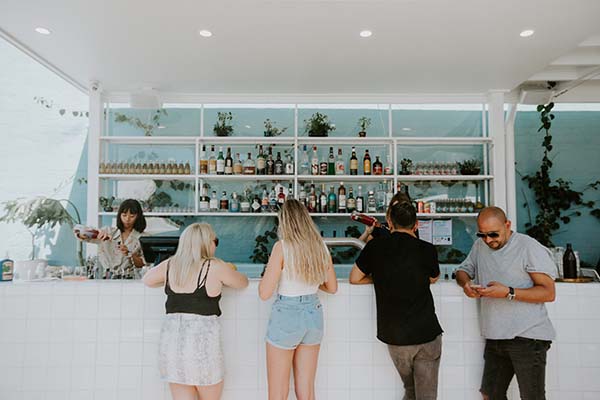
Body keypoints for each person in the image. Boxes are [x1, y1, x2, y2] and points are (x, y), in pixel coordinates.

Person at [455, 206, 556, 400]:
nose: (488, 240)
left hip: (528, 336)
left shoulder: (528, 246)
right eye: (482, 234)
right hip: (496, 336)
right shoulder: (480, 245)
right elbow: (463, 270)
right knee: (490, 394)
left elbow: (548, 292)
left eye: (494, 234)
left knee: (532, 396)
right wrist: (466, 284)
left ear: (507, 225)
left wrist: (508, 292)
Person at [142, 223, 249, 400]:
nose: (216, 245)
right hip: (203, 350)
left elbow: (148, 280)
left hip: (173, 349)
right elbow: (242, 283)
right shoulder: (215, 267)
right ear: (206, 243)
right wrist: (226, 269)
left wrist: (169, 279)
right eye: (216, 241)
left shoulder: (171, 265)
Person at [350, 201, 443, 400]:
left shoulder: (375, 246)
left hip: (395, 337)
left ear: (389, 222)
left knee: (410, 390)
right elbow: (434, 278)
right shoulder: (427, 248)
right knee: (426, 396)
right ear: (416, 225)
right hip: (426, 333)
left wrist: (383, 276)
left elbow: (354, 278)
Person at [259, 199, 338, 400]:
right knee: (306, 391)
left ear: (284, 222)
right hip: (313, 314)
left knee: (278, 392)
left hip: (287, 314)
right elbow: (332, 287)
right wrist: (309, 280)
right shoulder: (320, 246)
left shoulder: (282, 247)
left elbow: (264, 293)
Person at [75, 198, 146, 278]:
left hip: (130, 279)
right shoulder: (108, 231)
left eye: (132, 216)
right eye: (124, 215)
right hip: (105, 277)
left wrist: (129, 254)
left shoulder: (143, 238)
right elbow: (80, 233)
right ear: (119, 215)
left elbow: (143, 263)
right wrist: (95, 233)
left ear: (138, 217)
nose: (127, 219)